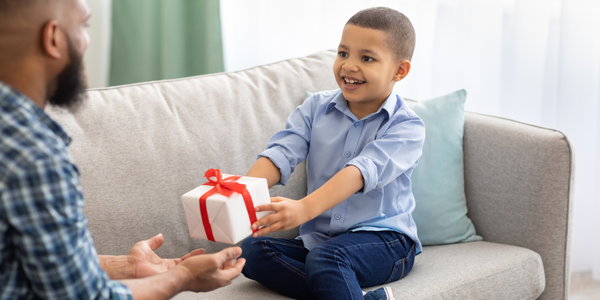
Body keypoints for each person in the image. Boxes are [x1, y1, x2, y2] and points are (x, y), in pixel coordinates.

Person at [0, 0, 245, 299]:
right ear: (54, 38)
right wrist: (182, 277)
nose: (86, 43)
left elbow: (37, 262)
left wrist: (128, 267)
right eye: (84, 25)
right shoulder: (35, 155)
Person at [240, 7, 424, 300]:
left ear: (399, 71)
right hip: (321, 241)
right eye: (343, 53)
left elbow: (360, 172)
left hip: (386, 242)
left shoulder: (406, 126)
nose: (349, 66)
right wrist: (240, 193)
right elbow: (281, 153)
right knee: (249, 251)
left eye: (366, 58)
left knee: (326, 260)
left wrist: (303, 209)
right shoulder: (315, 108)